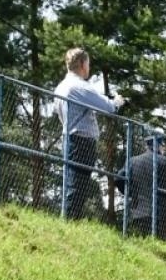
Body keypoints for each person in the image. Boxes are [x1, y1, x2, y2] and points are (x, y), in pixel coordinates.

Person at [53, 47, 124, 220]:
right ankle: (70, 221)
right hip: (82, 141)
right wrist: (118, 102)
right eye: (88, 64)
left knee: (73, 182)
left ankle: (70, 220)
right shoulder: (80, 86)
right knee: (77, 185)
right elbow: (107, 107)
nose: (89, 68)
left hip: (70, 138)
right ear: (83, 64)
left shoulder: (60, 87)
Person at [117, 132, 166, 240]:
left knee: (142, 241)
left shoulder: (132, 161)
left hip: (139, 211)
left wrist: (131, 193)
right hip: (163, 212)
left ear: (147, 145)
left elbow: (119, 178)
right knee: (162, 241)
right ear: (161, 145)